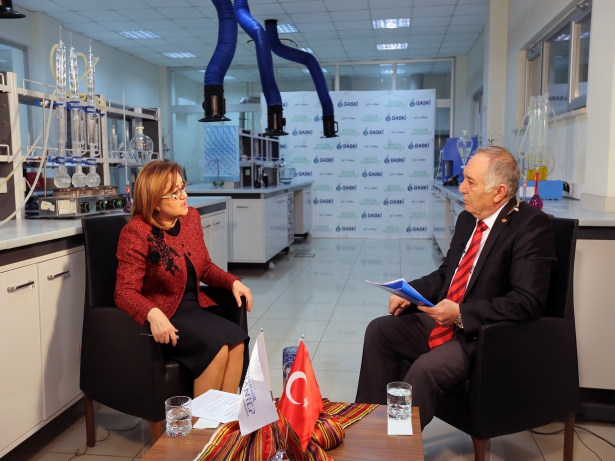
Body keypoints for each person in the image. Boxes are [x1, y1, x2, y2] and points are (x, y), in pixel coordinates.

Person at [355, 147, 557, 429]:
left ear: (498, 192)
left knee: (424, 369)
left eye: (470, 182)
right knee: (379, 331)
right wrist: (408, 292)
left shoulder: (531, 226)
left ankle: (397, 445)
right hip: (447, 322)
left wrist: (461, 314)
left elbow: (527, 301)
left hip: (481, 335)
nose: (461, 188)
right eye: (464, 179)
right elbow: (446, 275)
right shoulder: (467, 219)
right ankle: (368, 429)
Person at [115, 160, 253, 397]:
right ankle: (200, 420)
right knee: (216, 349)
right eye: (175, 192)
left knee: (237, 341)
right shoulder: (136, 232)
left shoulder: (191, 219)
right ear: (155, 202)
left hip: (195, 309)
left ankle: (226, 417)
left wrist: (232, 281)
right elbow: (124, 291)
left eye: (183, 187)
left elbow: (204, 266)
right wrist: (152, 313)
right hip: (167, 316)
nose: (184, 195)